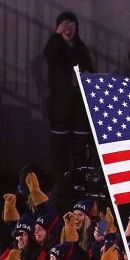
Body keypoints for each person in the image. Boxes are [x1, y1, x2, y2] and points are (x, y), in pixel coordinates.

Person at [42, 11, 95, 176]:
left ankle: (81, 181)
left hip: (79, 105)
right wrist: (57, 35)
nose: (68, 29)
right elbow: (49, 55)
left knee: (81, 145)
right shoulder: (56, 46)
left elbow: (90, 71)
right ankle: (60, 182)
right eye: (64, 25)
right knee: (60, 146)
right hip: (60, 104)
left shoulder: (81, 48)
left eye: (71, 26)